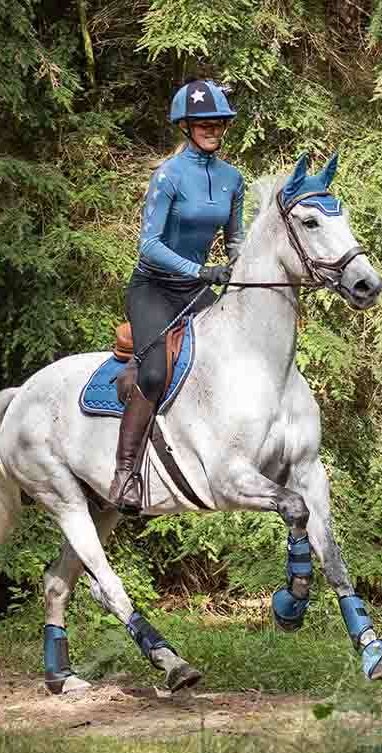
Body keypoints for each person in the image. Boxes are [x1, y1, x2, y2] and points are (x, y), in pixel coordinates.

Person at [110, 78, 246, 513]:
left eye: (218, 121)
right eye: (203, 122)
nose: (213, 128)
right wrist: (199, 270)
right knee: (153, 374)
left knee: (234, 362)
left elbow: (236, 240)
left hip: (198, 290)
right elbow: (148, 245)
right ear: (185, 125)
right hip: (154, 288)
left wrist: (243, 271)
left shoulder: (232, 179)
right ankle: (125, 473)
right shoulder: (168, 175)